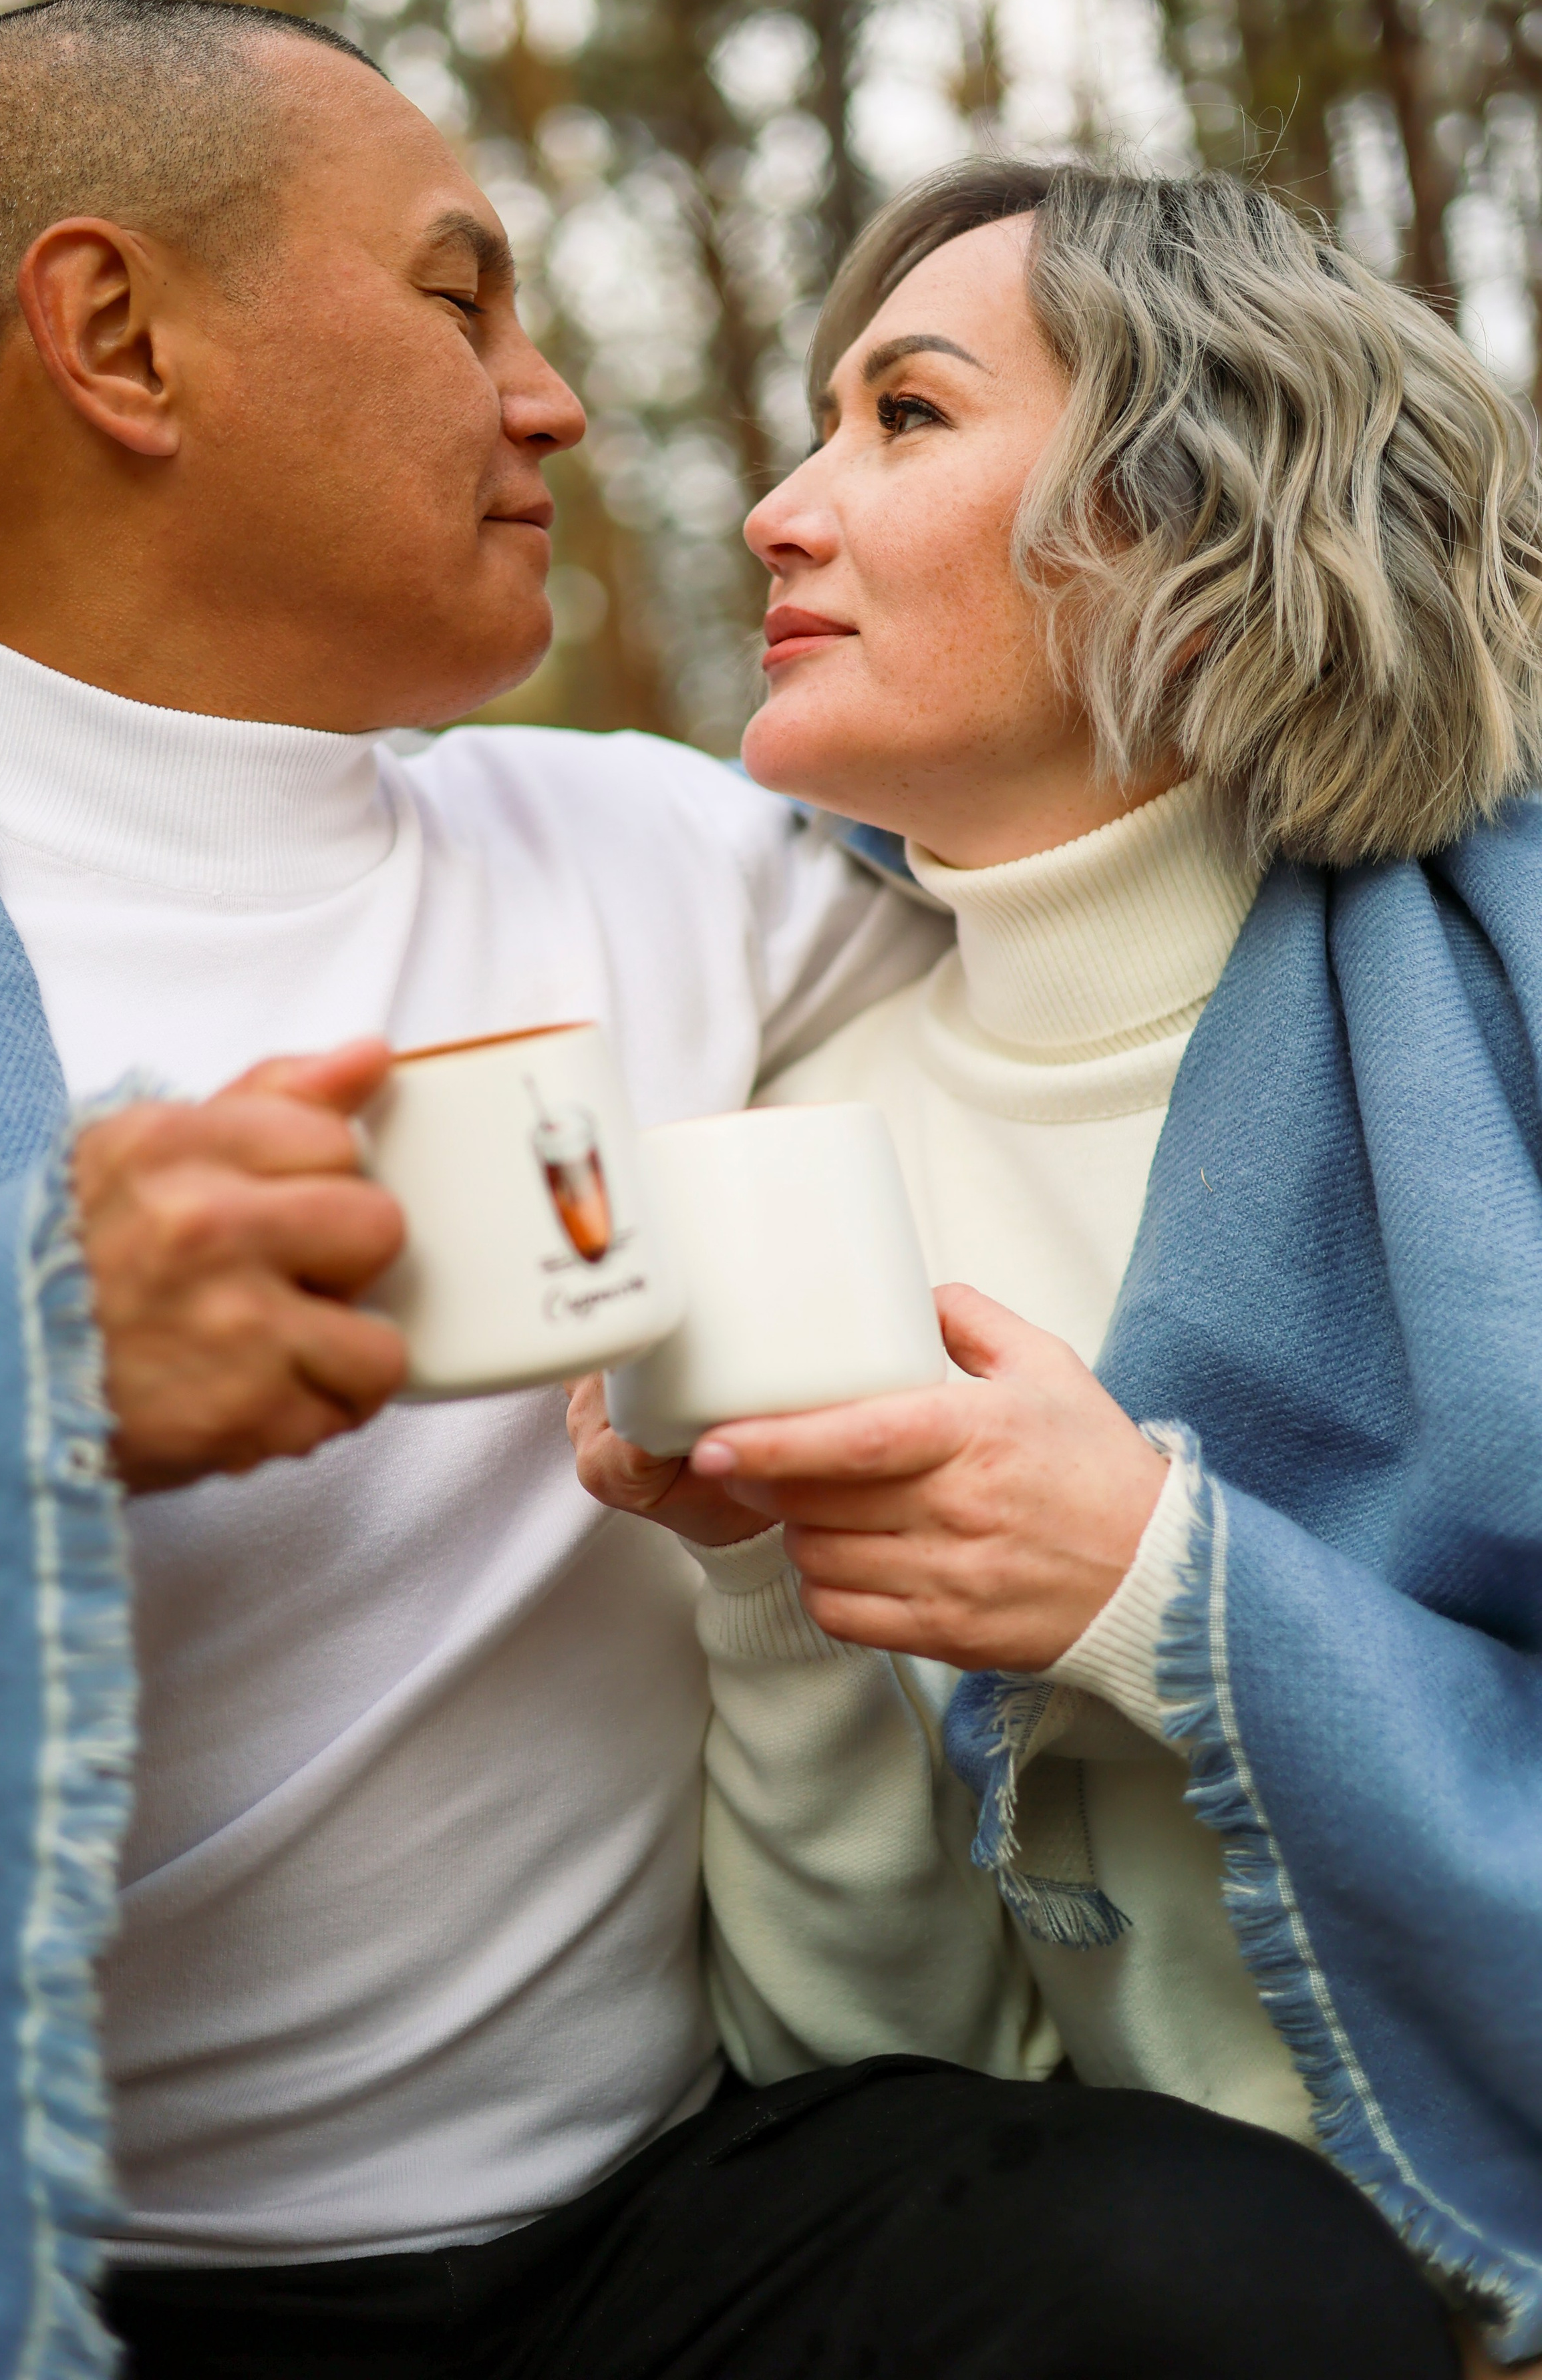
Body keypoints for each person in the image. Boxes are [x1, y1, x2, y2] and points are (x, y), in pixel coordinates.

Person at [0, 1, 1436, 2380]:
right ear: (122, 341)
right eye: (459, 296)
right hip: (24, 2280)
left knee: (1227, 2286)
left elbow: (1164, 878)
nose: (554, 398)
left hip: (663, 2226)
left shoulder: (682, 852)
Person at [570, 160, 1542, 2375]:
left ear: (1194, 537)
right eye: (817, 427)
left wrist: (1158, 1587)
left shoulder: (1509, 1013)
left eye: (905, 416)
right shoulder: (804, 1140)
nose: (778, 514)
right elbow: (896, 2087)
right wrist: (765, 1585)